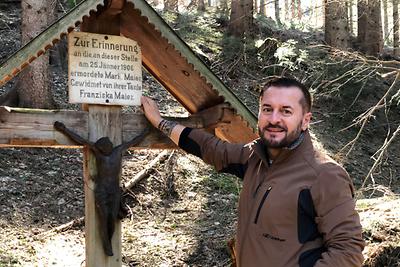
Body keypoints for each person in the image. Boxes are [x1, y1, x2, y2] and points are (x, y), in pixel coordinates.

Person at [141, 77, 365, 267]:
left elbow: (348, 253)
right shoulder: (255, 157)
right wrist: (161, 123)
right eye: (267, 109)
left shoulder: (324, 175)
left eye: (286, 111)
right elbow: (213, 149)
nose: (274, 119)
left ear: (305, 120)